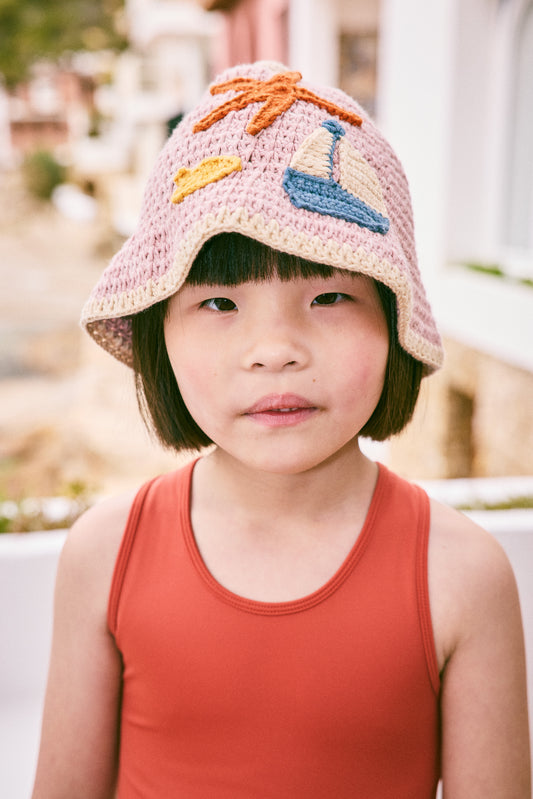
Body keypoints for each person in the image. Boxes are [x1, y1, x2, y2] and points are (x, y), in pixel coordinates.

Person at [32, 62, 530, 798]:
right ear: (158, 332)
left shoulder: (462, 577)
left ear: (394, 322)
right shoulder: (104, 556)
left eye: (328, 294)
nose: (274, 349)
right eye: (219, 303)